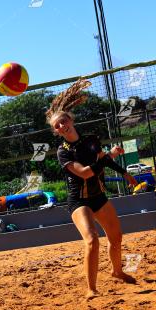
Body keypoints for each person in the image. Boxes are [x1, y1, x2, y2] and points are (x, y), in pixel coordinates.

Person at [46, 79, 138, 298]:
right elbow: (86, 172)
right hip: (78, 200)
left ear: (71, 119)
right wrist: (109, 157)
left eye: (63, 121)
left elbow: (104, 160)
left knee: (116, 238)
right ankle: (91, 289)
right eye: (57, 126)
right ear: (56, 132)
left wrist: (123, 172)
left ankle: (117, 271)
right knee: (92, 240)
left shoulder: (91, 140)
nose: (61, 126)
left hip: (98, 196)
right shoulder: (63, 152)